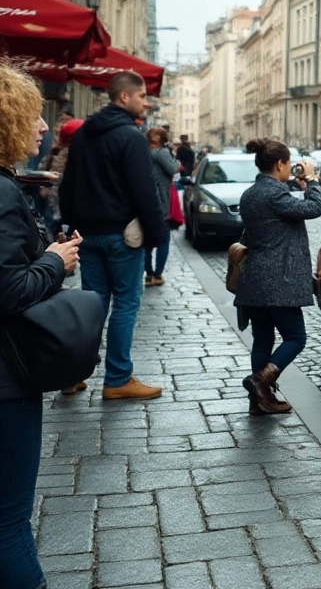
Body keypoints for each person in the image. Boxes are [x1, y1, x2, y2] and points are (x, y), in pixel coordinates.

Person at [0, 63, 81, 589]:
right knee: (8, 522)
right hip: (4, 381)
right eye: (31, 117)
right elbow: (7, 291)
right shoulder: (3, 195)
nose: (43, 128)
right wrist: (54, 260)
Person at [59, 71, 166, 400]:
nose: (145, 102)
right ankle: (118, 378)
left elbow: (67, 185)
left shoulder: (84, 133)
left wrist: (71, 226)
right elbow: (144, 192)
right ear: (124, 98)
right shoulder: (130, 136)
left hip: (87, 234)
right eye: (141, 96)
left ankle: (73, 374)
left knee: (93, 306)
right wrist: (156, 235)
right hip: (121, 236)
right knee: (125, 305)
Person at [235, 139, 321, 415]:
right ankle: (262, 381)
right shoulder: (275, 195)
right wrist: (312, 181)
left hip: (254, 280)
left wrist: (299, 187)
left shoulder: (251, 193)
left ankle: (259, 402)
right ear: (280, 164)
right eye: (289, 163)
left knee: (262, 339)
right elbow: (315, 209)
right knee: (296, 337)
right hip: (278, 280)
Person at [144, 127, 180, 287]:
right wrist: (177, 163)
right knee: (163, 239)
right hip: (162, 199)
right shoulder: (163, 152)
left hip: (145, 198)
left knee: (146, 241)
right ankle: (157, 274)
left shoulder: (142, 151)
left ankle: (149, 273)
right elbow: (173, 169)